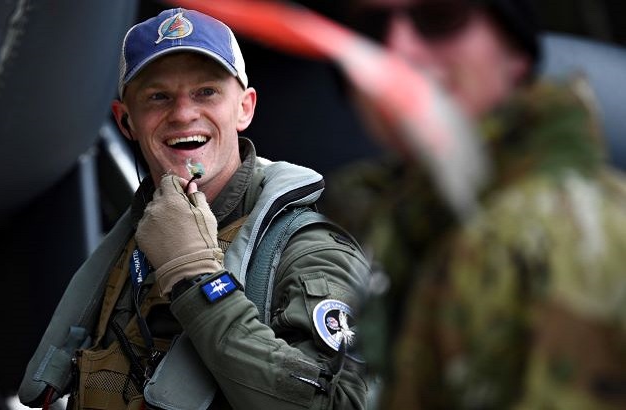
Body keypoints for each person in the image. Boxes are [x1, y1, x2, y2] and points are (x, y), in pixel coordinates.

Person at [58, 7, 371, 410]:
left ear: (244, 108)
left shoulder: (306, 252)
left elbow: (342, 403)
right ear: (126, 122)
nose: (184, 114)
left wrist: (195, 277)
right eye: (158, 96)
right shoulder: (128, 247)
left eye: (206, 92)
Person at [319, 0, 626, 408]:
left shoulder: (567, 234)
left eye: (440, 16)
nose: (397, 51)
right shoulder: (411, 223)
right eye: (368, 34)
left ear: (515, 51)